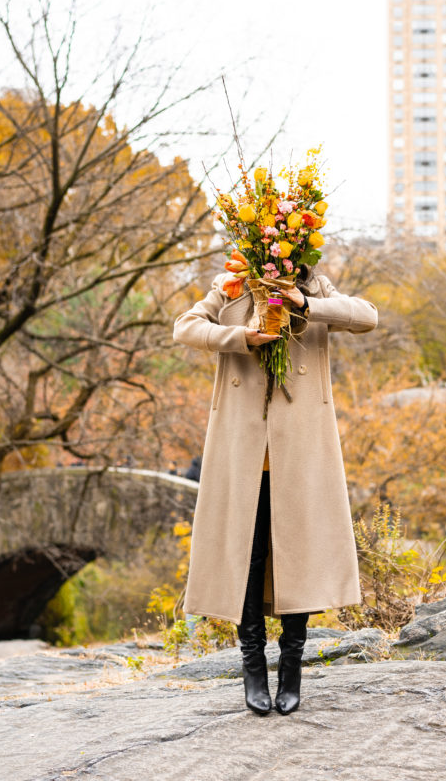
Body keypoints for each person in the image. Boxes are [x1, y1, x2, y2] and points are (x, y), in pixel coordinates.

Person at [173, 266, 378, 715]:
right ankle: (252, 667)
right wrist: (240, 337)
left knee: (295, 554)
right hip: (242, 448)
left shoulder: (311, 284)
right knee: (249, 553)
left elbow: (367, 316)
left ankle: (291, 667)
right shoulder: (231, 286)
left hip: (300, 450)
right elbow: (185, 326)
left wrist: (304, 303)